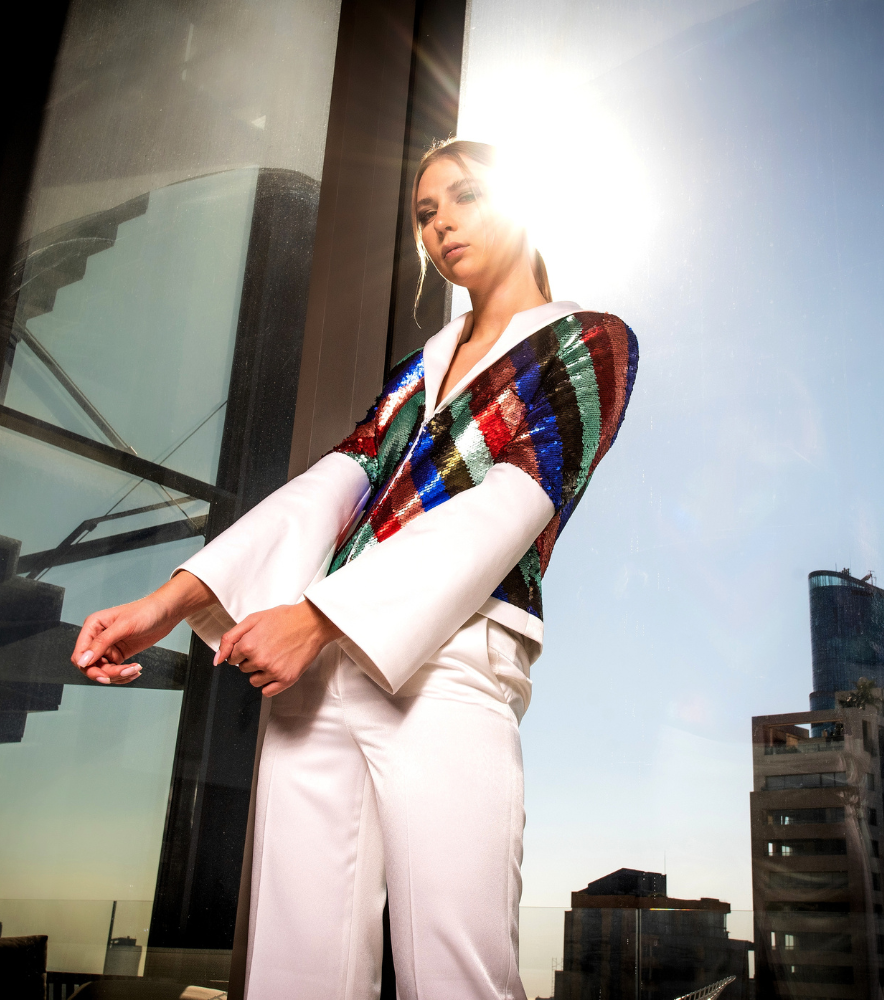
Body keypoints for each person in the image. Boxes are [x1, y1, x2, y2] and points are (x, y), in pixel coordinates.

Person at [71, 139, 638, 1000]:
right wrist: (167, 601)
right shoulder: (419, 368)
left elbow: (520, 500)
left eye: (466, 196)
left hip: (449, 662)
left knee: (457, 970)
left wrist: (320, 616)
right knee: (293, 970)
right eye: (424, 212)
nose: (442, 220)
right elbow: (333, 483)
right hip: (319, 668)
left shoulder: (590, 340)